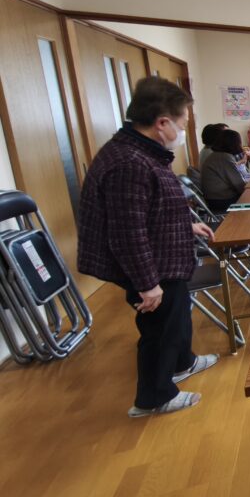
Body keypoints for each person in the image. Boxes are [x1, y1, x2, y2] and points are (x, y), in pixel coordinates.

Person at [77, 76, 217, 418]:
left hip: (163, 255)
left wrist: (186, 224)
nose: (182, 131)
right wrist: (147, 283)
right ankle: (154, 397)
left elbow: (150, 207)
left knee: (178, 314)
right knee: (160, 328)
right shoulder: (129, 163)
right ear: (162, 123)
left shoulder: (142, 153)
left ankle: (183, 362)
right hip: (151, 264)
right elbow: (127, 232)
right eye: (182, 124)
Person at [200, 128, 247, 212]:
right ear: (233, 143)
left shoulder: (217, 155)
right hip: (222, 200)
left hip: (215, 199)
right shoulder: (224, 157)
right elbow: (239, 185)